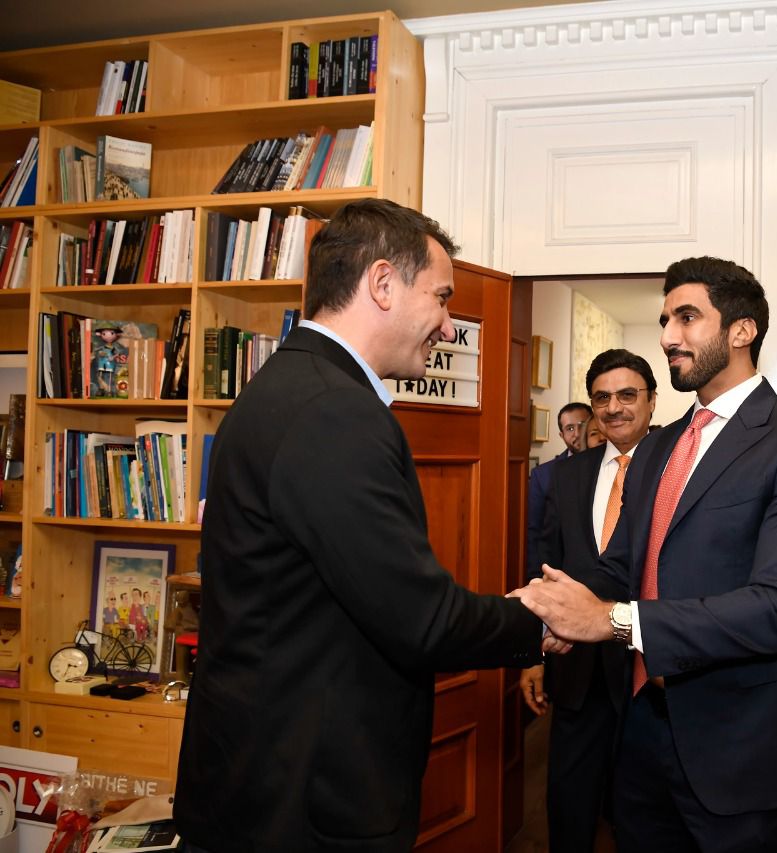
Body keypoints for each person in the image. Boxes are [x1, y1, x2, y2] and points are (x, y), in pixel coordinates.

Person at [175, 199, 545, 853]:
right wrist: (540, 622)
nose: (449, 326)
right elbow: (421, 618)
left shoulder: (292, 385)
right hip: (303, 803)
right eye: (441, 298)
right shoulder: (332, 412)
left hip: (262, 782)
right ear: (382, 283)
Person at [514, 256, 777, 853]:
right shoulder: (658, 446)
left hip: (741, 743)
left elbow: (775, 609)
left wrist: (612, 620)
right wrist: (549, 611)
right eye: (665, 320)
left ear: (742, 330)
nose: (669, 336)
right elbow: (620, 566)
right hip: (642, 729)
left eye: (687, 318)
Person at [521, 349, 656, 853]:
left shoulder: (676, 467)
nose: (614, 407)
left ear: (651, 401)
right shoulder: (568, 474)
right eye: (602, 397)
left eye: (627, 395)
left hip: (649, 667)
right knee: (569, 803)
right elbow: (545, 563)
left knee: (643, 810)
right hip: (576, 666)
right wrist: (533, 653)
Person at [527, 403, 591, 581]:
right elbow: (535, 530)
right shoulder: (544, 474)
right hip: (559, 572)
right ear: (561, 435)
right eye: (570, 428)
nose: (577, 433)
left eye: (582, 425)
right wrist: (535, 577)